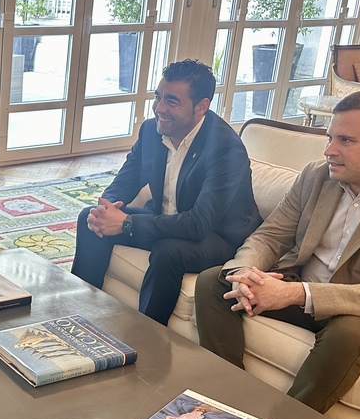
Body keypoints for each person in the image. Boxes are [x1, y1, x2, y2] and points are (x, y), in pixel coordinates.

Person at [195, 89, 360, 413]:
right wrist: (245, 271)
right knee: (215, 282)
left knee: (347, 334)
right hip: (303, 288)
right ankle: (224, 405)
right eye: (329, 137)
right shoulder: (316, 175)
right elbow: (270, 236)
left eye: (345, 140)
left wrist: (294, 294)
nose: (329, 150)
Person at [70, 59, 262, 325]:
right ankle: (79, 315)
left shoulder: (225, 148)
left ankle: (147, 336)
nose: (159, 108)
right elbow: (126, 180)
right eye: (158, 97)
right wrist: (107, 208)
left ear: (201, 106)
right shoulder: (151, 131)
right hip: (168, 222)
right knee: (88, 218)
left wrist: (126, 223)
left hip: (218, 237)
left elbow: (199, 223)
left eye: (172, 101)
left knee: (168, 250)